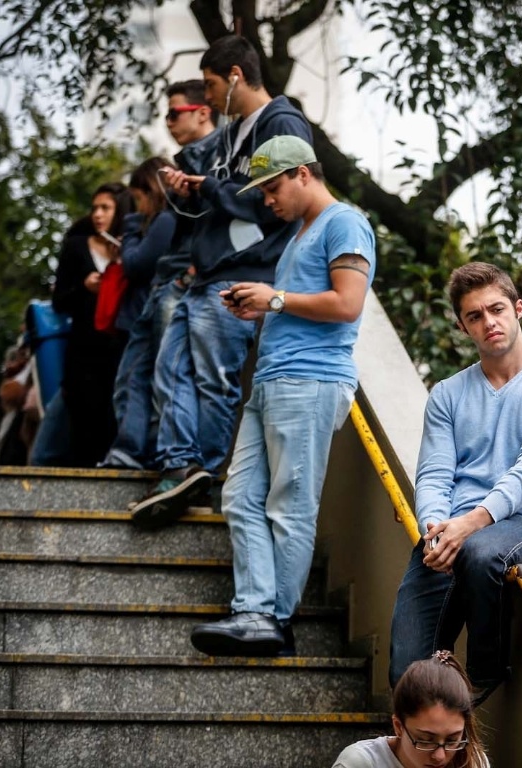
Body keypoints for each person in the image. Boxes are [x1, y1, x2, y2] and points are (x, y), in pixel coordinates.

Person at [188, 135, 375, 657]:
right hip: (272, 380)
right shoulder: (300, 235)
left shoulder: (345, 222)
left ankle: (275, 619)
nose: (267, 200)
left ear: (303, 174)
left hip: (311, 381)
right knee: (241, 495)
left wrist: (275, 297)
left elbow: (348, 303)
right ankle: (252, 610)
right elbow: (298, 303)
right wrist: (264, 307)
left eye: (272, 188)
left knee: (289, 505)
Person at [130, 35, 313, 526]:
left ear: (235, 76)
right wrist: (192, 190)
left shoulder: (280, 121)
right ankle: (178, 465)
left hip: (243, 273)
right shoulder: (235, 131)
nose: (206, 98)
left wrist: (210, 185)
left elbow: (274, 204)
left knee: (213, 378)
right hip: (207, 272)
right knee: (171, 370)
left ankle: (204, 472)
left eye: (210, 85)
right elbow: (226, 198)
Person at [388, 262, 522, 705]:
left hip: (518, 526)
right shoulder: (447, 394)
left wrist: (470, 524)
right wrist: (435, 529)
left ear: (518, 309)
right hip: (449, 534)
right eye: (474, 316)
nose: (488, 322)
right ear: (463, 327)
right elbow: (434, 474)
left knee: (481, 552)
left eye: (496, 309)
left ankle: (484, 672)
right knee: (405, 677)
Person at [101, 81, 220, 470]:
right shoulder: (185, 166)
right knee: (139, 373)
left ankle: (172, 458)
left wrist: (136, 225)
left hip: (185, 285)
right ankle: (143, 452)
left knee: (171, 376)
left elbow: (143, 258)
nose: (168, 122)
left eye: (174, 112)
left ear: (203, 112)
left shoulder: (219, 161)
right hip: (168, 285)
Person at [47, 182, 133, 467]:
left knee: (114, 412)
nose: (97, 214)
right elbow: (59, 300)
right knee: (82, 417)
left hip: (120, 345)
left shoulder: (132, 246)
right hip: (84, 348)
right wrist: (84, 287)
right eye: (95, 207)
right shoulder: (76, 247)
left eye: (105, 208)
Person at [100, 156, 176, 466]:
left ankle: (135, 449)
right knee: (138, 379)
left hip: (155, 306)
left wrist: (130, 230)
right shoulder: (165, 220)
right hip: (149, 307)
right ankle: (135, 449)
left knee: (138, 378)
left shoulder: (165, 220)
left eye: (138, 199)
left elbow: (137, 264)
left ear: (150, 191)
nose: (137, 207)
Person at [332, 651, 490, 768]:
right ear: (399, 727)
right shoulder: (360, 763)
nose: (440, 756)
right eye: (426, 740)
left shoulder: (472, 761)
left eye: (452, 740)